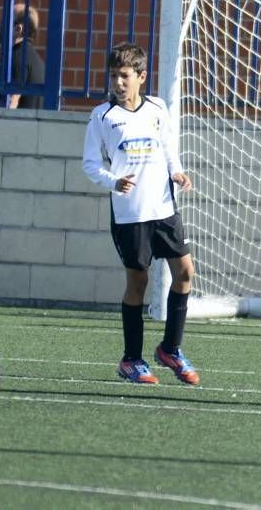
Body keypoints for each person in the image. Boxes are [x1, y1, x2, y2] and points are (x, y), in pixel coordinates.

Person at [81, 42, 199, 386]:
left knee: (185, 273)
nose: (118, 82)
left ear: (141, 77)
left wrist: (177, 171)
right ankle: (131, 359)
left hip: (163, 207)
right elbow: (90, 163)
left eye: (125, 76)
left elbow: (167, 147)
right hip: (130, 214)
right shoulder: (103, 116)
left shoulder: (157, 108)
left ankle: (170, 349)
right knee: (139, 282)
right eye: (114, 75)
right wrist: (112, 181)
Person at [0, 3, 45, 109]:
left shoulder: (17, 58)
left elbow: (10, 104)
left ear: (18, 29)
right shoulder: (35, 59)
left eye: (5, 21)